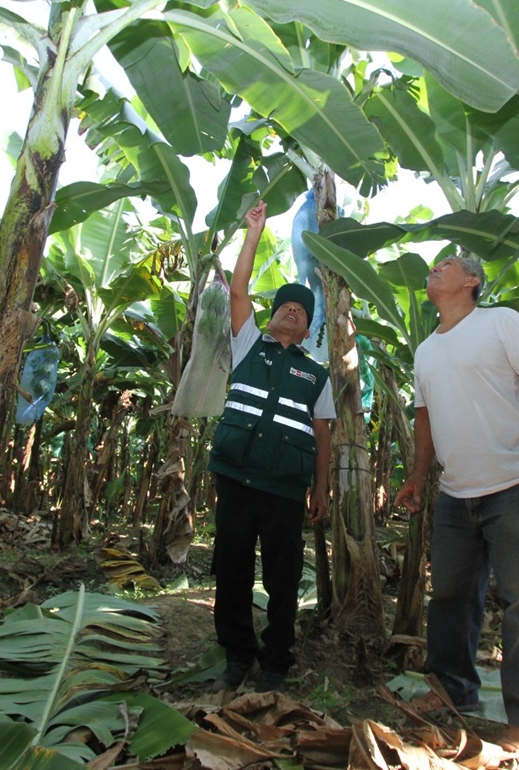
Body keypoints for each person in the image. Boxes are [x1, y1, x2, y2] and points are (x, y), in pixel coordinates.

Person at [394, 255, 519, 753]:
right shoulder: (425, 351)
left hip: (516, 483)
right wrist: (418, 475)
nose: (433, 270)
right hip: (456, 493)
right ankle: (450, 692)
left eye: (446, 265)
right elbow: (425, 419)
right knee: (450, 600)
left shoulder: (500, 322)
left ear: (472, 281)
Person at [208, 200, 335, 694]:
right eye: (284, 304)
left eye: (300, 310)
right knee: (232, 569)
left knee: (282, 579)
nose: (290, 309)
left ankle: (276, 663)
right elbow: (238, 289)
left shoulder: (315, 372)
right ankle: (237, 655)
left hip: (285, 487)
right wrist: (254, 232)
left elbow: (322, 433)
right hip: (237, 476)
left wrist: (319, 488)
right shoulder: (247, 344)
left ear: (306, 330)